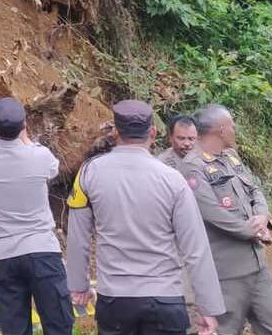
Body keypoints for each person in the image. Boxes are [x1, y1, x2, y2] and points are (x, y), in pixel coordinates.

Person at [66, 99, 225, 335]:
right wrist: (208, 307)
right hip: (165, 299)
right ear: (153, 132)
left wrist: (78, 285)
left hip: (115, 299)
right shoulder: (173, 180)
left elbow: (78, 236)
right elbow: (196, 248)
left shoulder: (89, 173)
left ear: (116, 132)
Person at [180, 105, 272, 335]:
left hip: (257, 266)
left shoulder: (231, 157)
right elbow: (212, 213)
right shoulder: (193, 167)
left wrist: (262, 217)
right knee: (226, 330)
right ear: (221, 130)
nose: (235, 129)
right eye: (231, 125)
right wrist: (253, 231)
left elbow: (255, 190)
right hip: (226, 274)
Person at [0, 96, 74, 335]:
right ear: (24, 124)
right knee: (59, 323)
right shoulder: (40, 156)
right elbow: (53, 168)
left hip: (4, 254)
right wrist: (25, 137)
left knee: (14, 329)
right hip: (41, 250)